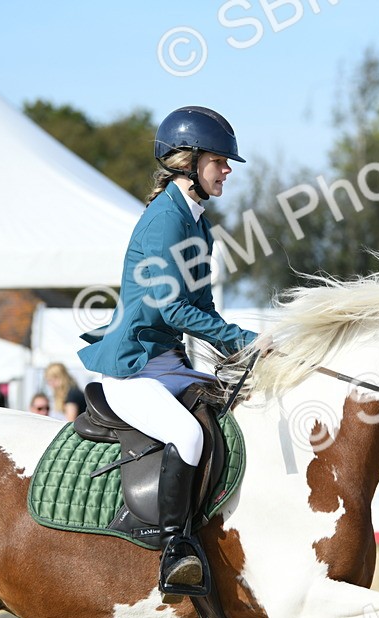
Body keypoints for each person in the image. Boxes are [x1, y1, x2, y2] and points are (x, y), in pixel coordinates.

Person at [78, 106, 257, 593]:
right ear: (188, 162)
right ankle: (176, 549)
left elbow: (203, 306)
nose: (227, 170)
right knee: (188, 435)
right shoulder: (165, 220)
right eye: (219, 161)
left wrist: (243, 350)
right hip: (134, 367)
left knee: (240, 407)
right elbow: (173, 309)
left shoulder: (197, 222)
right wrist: (242, 338)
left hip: (169, 363)